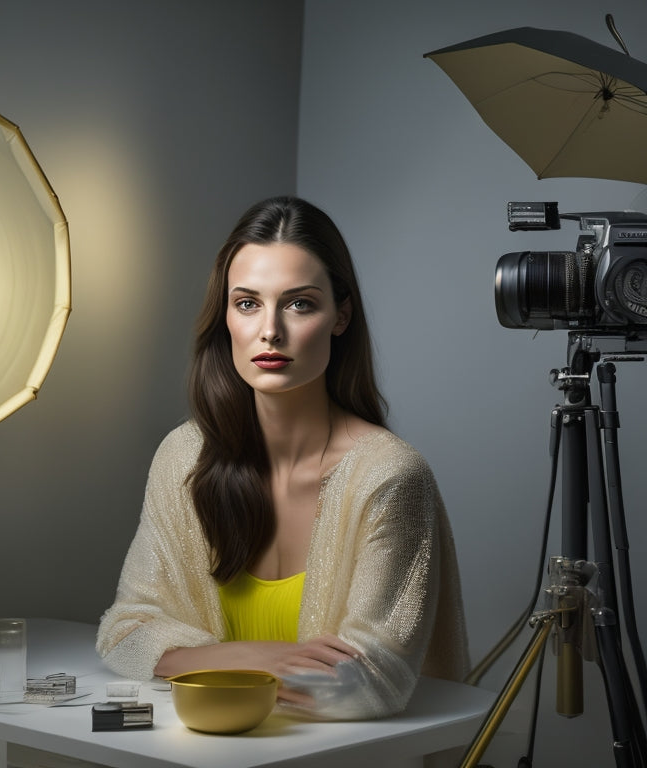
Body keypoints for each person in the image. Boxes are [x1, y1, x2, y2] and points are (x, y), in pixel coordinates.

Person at [96, 196, 469, 719]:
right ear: (224, 316)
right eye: (247, 303)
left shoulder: (389, 477)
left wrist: (194, 660)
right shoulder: (184, 456)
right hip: (208, 749)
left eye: (300, 303)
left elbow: (374, 681)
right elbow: (124, 631)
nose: (270, 330)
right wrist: (254, 656)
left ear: (341, 315)